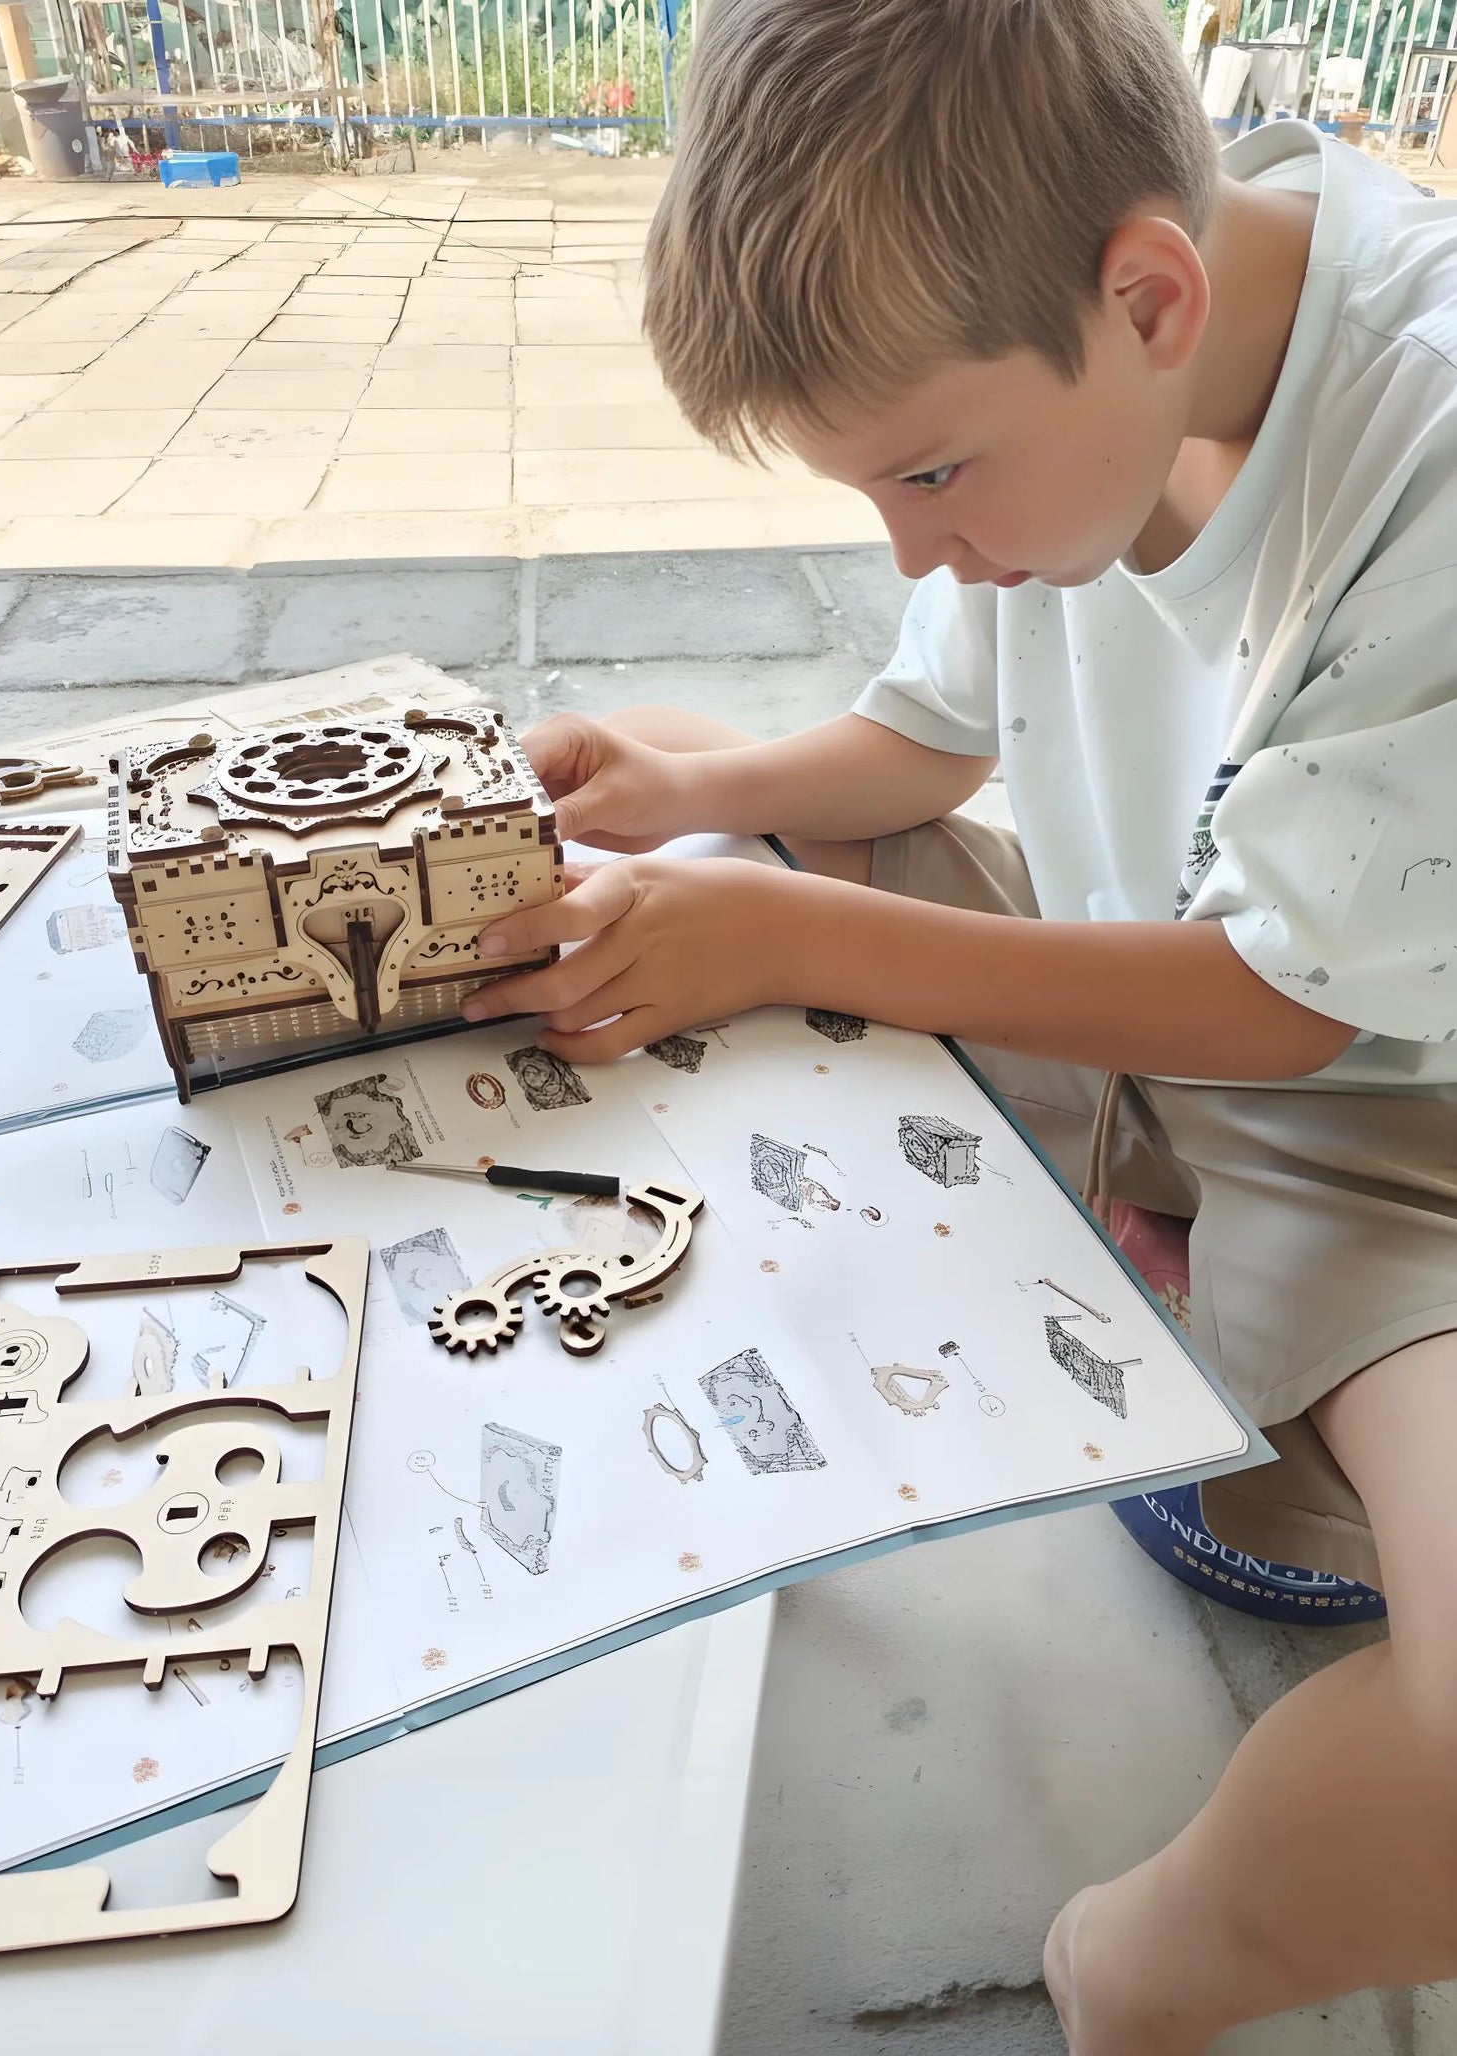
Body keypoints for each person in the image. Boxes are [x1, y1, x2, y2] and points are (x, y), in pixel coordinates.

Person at [457, 0, 1457, 2045]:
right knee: (696, 816)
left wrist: (769, 937)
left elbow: (1290, 1000)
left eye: (928, 470)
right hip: (1156, 963)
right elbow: (930, 725)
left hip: (1382, 1094)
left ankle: (1146, 1958)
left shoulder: (1420, 437)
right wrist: (683, 804)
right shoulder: (1074, 328)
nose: (915, 543)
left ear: (1149, 294)